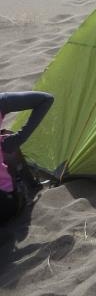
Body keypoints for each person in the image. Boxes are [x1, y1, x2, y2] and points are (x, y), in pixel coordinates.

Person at [1, 91, 54, 224]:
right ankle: (29, 184)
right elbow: (46, 99)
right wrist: (20, 137)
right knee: (6, 137)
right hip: (6, 207)